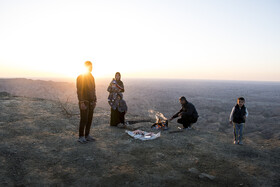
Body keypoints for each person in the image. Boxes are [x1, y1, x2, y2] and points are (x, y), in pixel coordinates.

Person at [76, 61, 97, 143]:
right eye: (90, 66)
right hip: (84, 101)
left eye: (92, 66)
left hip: (91, 102)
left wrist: (95, 100)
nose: (91, 68)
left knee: (89, 119)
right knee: (84, 119)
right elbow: (79, 90)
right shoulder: (80, 77)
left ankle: (87, 135)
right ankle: (81, 136)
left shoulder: (92, 77)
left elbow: (93, 90)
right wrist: (81, 102)